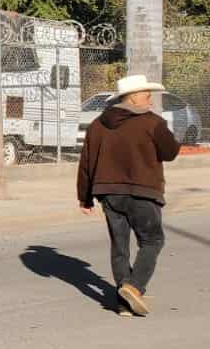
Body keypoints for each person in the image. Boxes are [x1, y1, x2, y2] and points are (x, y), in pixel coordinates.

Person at [77, 73, 182, 316]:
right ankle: (134, 288)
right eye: (147, 96)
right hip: (142, 191)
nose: (151, 101)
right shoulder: (152, 123)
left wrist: (85, 197)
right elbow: (170, 152)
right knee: (152, 241)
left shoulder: (98, 124)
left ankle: (124, 303)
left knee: (120, 245)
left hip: (109, 193)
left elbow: (86, 163)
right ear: (133, 98)